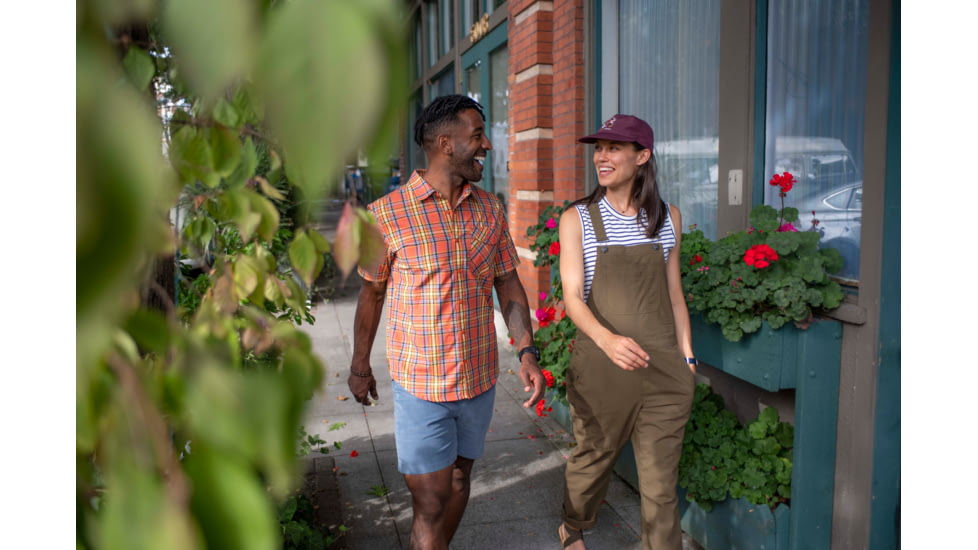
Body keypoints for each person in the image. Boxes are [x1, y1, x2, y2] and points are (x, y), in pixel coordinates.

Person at [347, 94, 546, 550]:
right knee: (431, 502)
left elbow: (508, 283)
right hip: (422, 382)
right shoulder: (385, 215)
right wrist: (360, 365)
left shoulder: (490, 209)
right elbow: (372, 292)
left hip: (478, 378)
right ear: (444, 144)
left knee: (459, 481)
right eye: (477, 135)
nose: (487, 145)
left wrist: (527, 351)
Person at [556, 114, 697, 550]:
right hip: (602, 366)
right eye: (599, 148)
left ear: (642, 156)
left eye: (614, 147)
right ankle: (573, 525)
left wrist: (688, 357)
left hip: (664, 370)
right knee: (592, 461)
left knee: (660, 487)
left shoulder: (668, 217)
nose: (602, 156)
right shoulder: (577, 218)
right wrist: (608, 341)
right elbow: (573, 298)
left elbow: (674, 296)